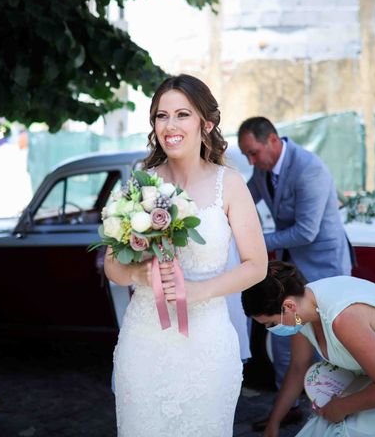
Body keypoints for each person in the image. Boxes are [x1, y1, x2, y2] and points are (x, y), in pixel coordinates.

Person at [104, 74, 268, 436]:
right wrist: (136, 276)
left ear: (205, 123)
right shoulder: (139, 182)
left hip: (206, 343)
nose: (170, 125)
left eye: (182, 114)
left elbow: (257, 266)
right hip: (144, 341)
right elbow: (112, 266)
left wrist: (198, 292)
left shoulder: (231, 184)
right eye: (162, 116)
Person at [241, 261, 375, 437]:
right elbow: (297, 367)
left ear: (288, 306)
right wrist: (274, 422)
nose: (271, 330)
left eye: (270, 323)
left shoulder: (343, 319)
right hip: (373, 377)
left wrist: (340, 407)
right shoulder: (301, 312)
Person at [237, 116, 353, 430]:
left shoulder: (309, 169)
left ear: (272, 140)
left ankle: (332, 408)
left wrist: (255, 243)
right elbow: (241, 200)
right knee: (282, 334)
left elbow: (305, 232)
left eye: (253, 153)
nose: (251, 160)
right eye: (246, 155)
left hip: (325, 266)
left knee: (327, 340)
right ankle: (287, 407)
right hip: (292, 268)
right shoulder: (261, 169)